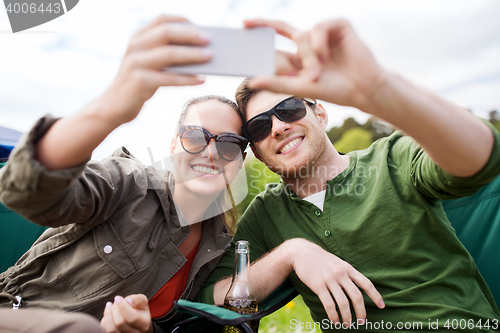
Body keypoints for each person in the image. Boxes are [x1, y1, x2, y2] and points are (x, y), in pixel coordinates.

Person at [194, 18, 500, 332]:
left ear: (321, 114)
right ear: (256, 152)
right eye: (259, 127)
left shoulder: (392, 158)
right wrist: (291, 252)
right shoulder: (266, 215)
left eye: (288, 109)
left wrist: (378, 88)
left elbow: (480, 161)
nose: (277, 127)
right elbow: (210, 296)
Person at [0, 15, 248, 333]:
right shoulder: (127, 181)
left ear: (240, 160)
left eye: (229, 144)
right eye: (195, 136)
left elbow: (173, 324)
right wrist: (112, 106)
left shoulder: (217, 246)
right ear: (174, 144)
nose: (211, 152)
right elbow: (28, 194)